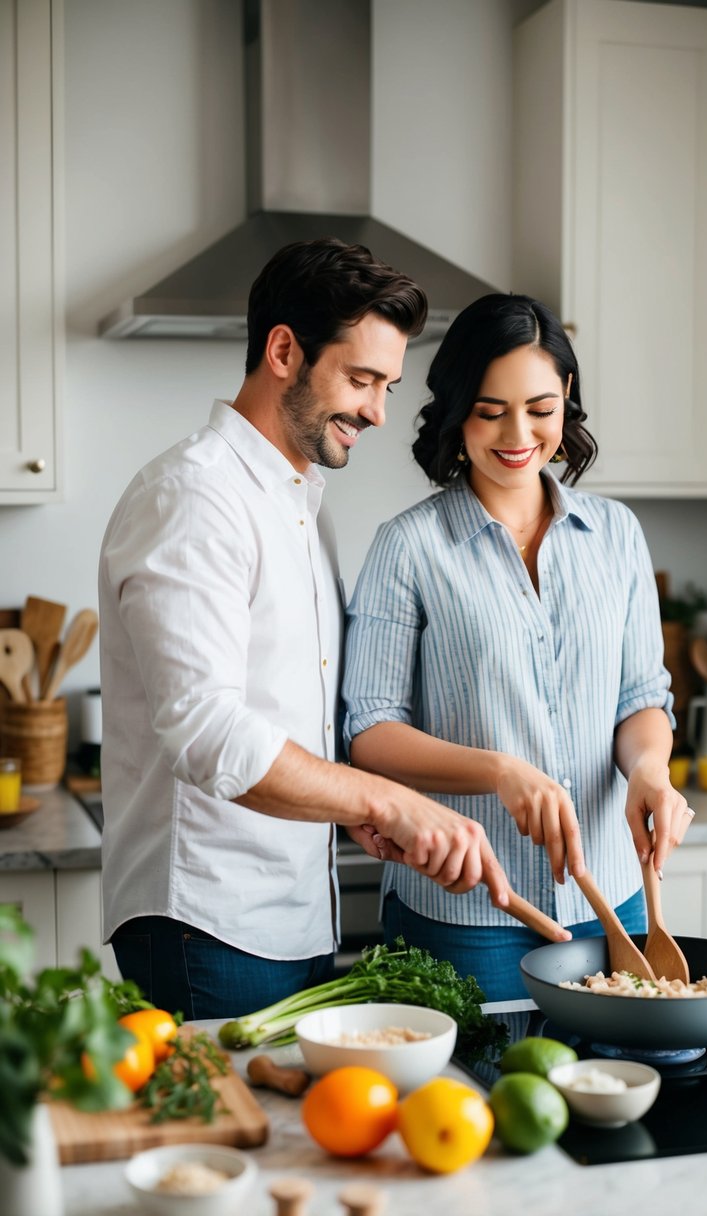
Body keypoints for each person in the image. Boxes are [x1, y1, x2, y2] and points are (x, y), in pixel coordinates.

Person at [97, 239, 509, 1020]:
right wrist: (389, 801)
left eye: (386, 385)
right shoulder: (194, 497)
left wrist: (352, 808)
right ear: (284, 350)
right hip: (208, 923)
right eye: (360, 379)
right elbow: (209, 733)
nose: (378, 411)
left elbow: (282, 713)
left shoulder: (295, 499)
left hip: (285, 914)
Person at [342, 292, 693, 1003]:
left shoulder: (617, 534)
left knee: (613, 1099)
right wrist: (500, 771)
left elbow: (640, 699)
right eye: (489, 409)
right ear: (455, 409)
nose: (517, 434)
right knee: (478, 1108)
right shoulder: (406, 547)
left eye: (538, 408)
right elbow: (369, 734)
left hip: (616, 902)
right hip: (468, 911)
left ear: (565, 396)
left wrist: (649, 770)